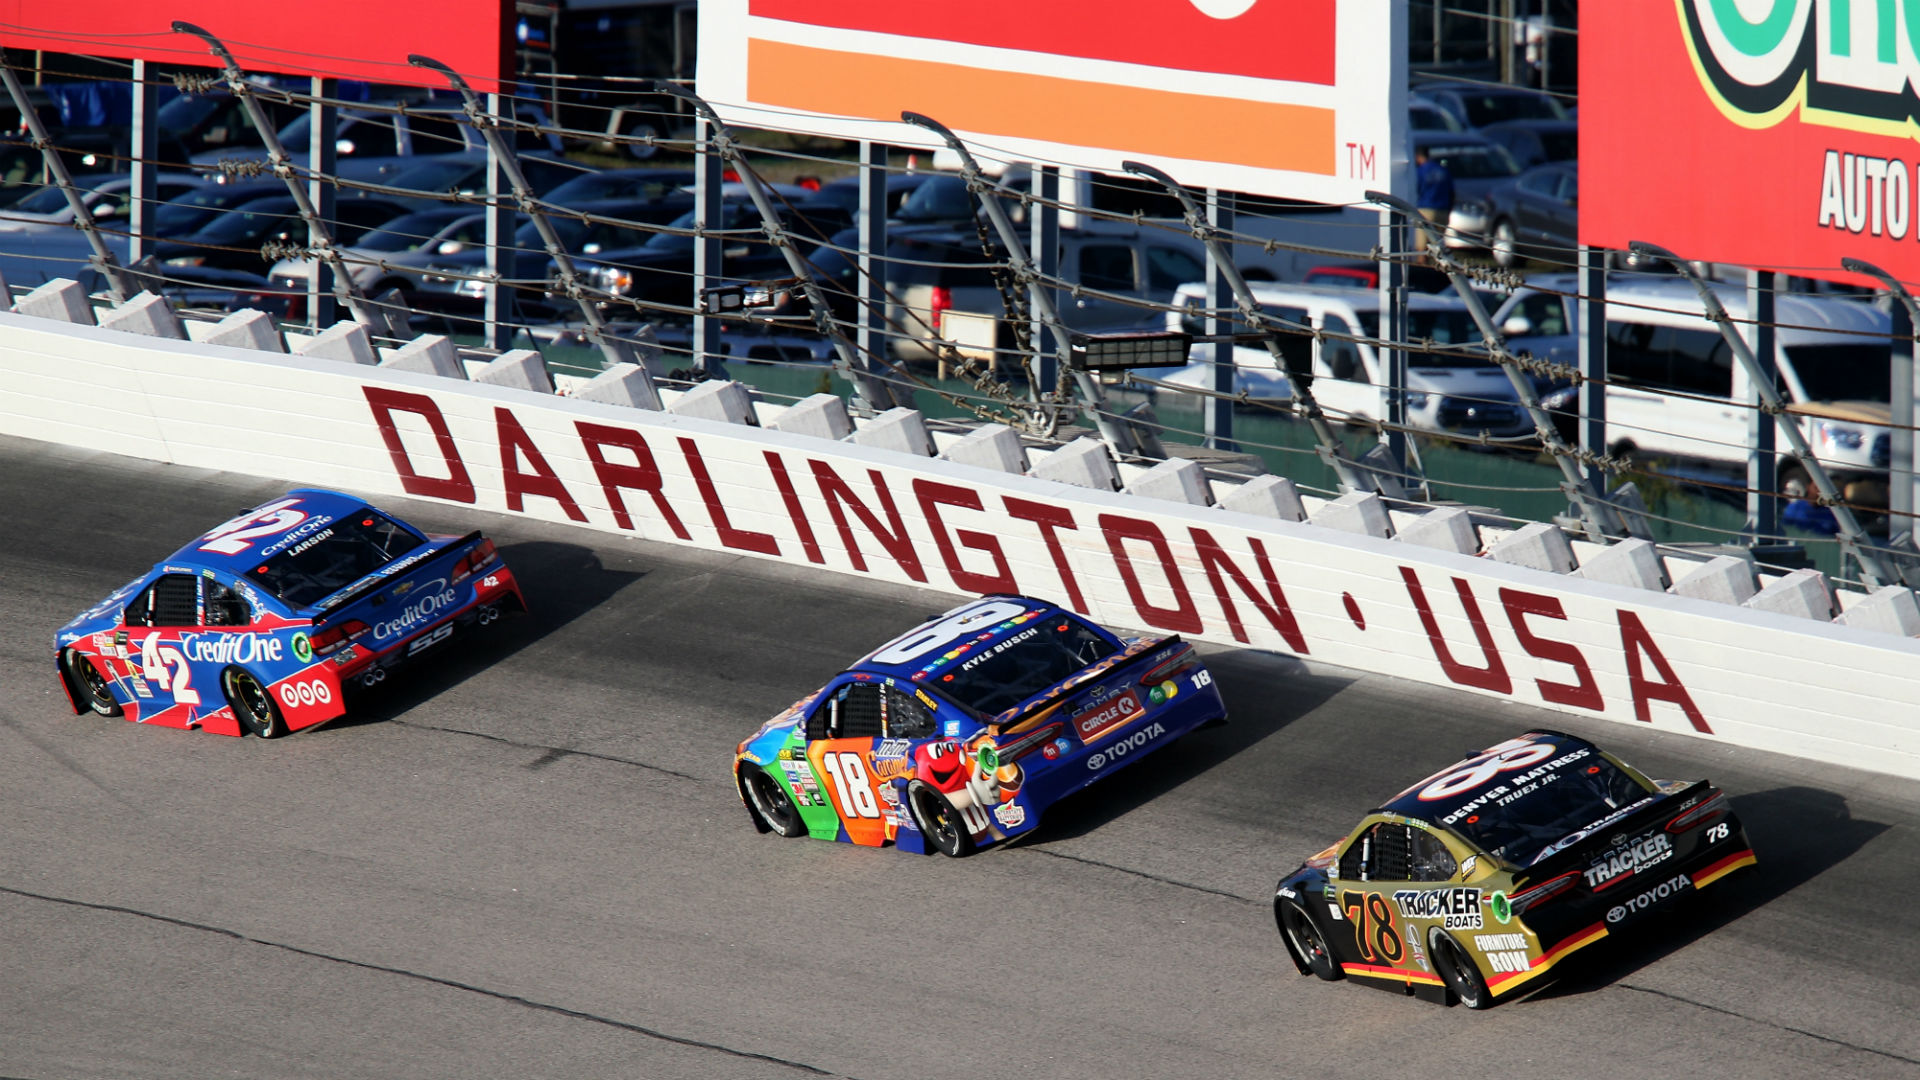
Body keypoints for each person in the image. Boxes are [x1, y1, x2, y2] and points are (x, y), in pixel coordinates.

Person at [1414, 147, 1453, 262]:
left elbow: (1416, 189)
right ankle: (1438, 272)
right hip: (1443, 211)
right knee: (1438, 248)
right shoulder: (1443, 171)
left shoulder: (1420, 171)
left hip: (1426, 210)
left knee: (1422, 248)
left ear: (1419, 157)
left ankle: (1422, 274)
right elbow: (1452, 192)